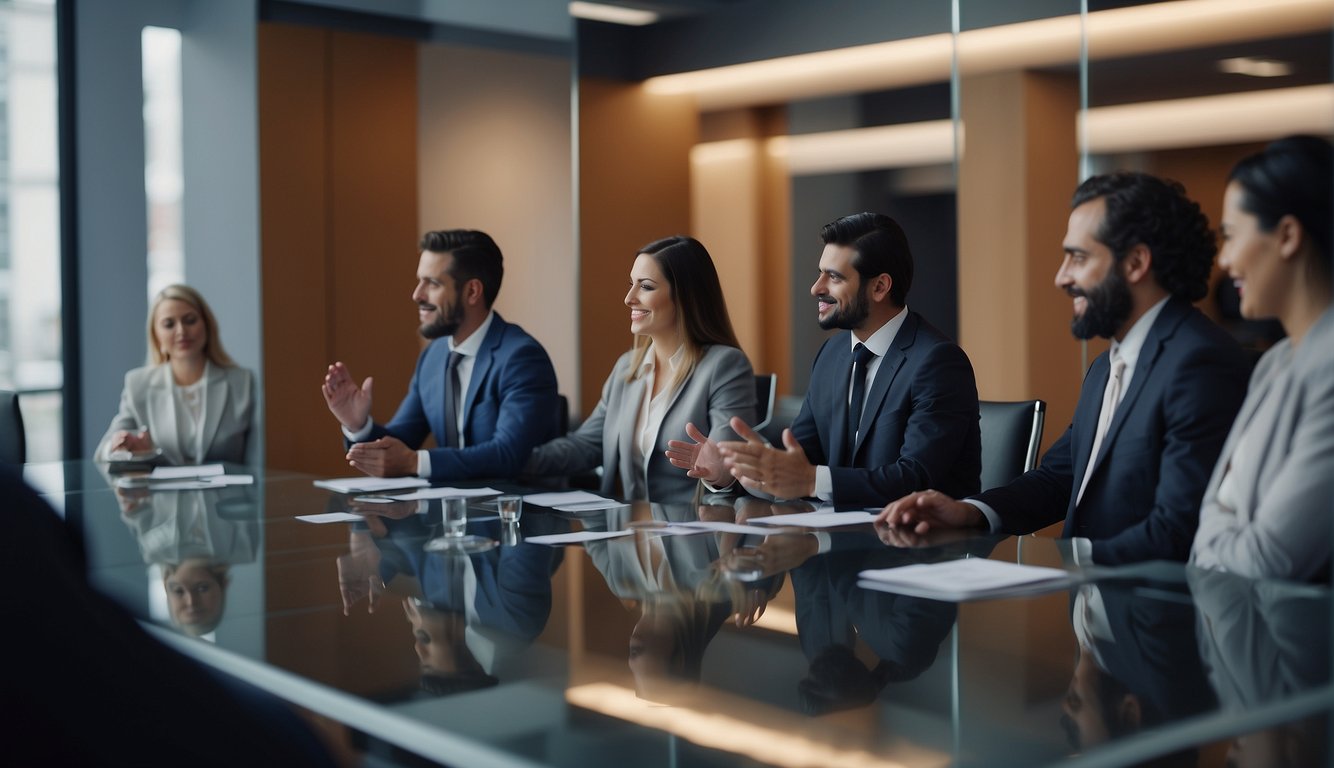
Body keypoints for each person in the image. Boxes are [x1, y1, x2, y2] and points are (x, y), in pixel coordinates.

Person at [880, 173, 1250, 564]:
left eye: (1079, 257)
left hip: (1147, 616)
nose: (1061, 277)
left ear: (1137, 263)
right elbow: (1057, 480)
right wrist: (970, 512)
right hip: (1089, 612)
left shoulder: (1201, 361)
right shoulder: (1105, 366)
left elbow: (1177, 529)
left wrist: (1056, 570)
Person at [711, 212, 980, 508]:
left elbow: (916, 477)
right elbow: (801, 460)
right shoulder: (832, 354)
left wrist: (812, 480)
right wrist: (736, 472)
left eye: (834, 277)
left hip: (925, 545)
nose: (817, 288)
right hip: (840, 541)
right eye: (820, 273)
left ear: (879, 287)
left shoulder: (938, 362)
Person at [1191, 136, 1334, 581]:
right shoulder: (1273, 365)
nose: (1226, 260)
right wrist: (1224, 523)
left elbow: (1268, 560)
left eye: (1230, 236)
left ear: (1288, 235)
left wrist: (1218, 523)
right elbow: (1213, 520)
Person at [525, 235, 756, 501]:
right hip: (624, 534)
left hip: (690, 533)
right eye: (630, 284)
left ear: (685, 296)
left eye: (645, 286)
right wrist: (506, 458)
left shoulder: (724, 366)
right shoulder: (627, 367)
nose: (628, 298)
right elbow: (586, 445)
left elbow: (726, 466)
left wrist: (719, 475)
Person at [322, 229, 561, 480]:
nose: (417, 295)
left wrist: (415, 462)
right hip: (452, 514)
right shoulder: (433, 357)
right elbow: (401, 442)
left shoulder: (522, 358)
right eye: (419, 281)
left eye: (432, 283)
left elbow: (507, 455)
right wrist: (359, 425)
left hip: (517, 515)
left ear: (472, 292)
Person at [96, 284, 257, 465]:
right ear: (156, 336)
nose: (181, 331)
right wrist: (121, 445)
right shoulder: (138, 384)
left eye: (190, 320)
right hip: (160, 494)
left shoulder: (242, 382)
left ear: (207, 325)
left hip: (232, 493)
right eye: (169, 324)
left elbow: (258, 460)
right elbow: (103, 451)